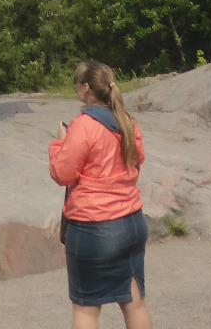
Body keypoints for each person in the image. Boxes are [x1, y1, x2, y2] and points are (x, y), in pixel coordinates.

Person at [48, 60, 151, 329]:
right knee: (133, 301)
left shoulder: (83, 126)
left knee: (86, 309)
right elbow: (139, 158)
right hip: (131, 222)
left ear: (85, 89)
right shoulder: (127, 122)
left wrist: (60, 142)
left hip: (94, 228)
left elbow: (63, 173)